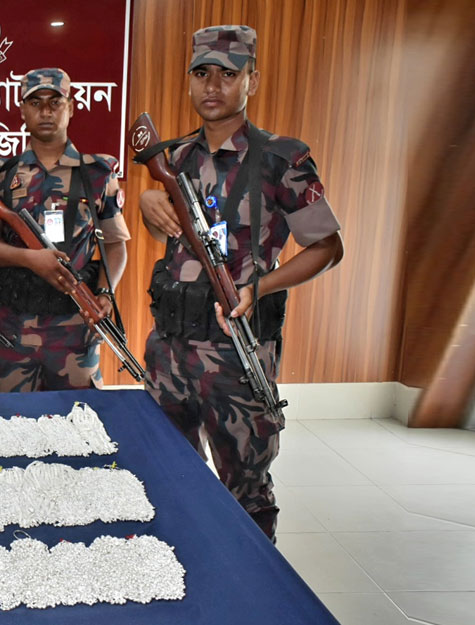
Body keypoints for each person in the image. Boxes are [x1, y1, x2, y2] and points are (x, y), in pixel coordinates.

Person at [139, 25, 344, 541]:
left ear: (252, 80)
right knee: (166, 475)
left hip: (236, 352)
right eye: (202, 73)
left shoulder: (280, 159)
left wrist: (261, 288)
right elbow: (167, 233)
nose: (213, 86)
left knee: (246, 493)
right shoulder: (174, 159)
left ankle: (254, 582)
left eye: (228, 75)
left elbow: (327, 247)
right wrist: (147, 204)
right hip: (169, 349)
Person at [0, 68, 130, 392]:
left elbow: (115, 244)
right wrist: (30, 259)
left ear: (70, 108)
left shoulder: (97, 174)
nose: (45, 111)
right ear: (22, 111)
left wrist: (104, 293)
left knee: (79, 419)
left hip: (76, 328)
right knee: (15, 420)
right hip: (14, 328)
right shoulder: (4, 175)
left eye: (55, 103)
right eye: (35, 103)